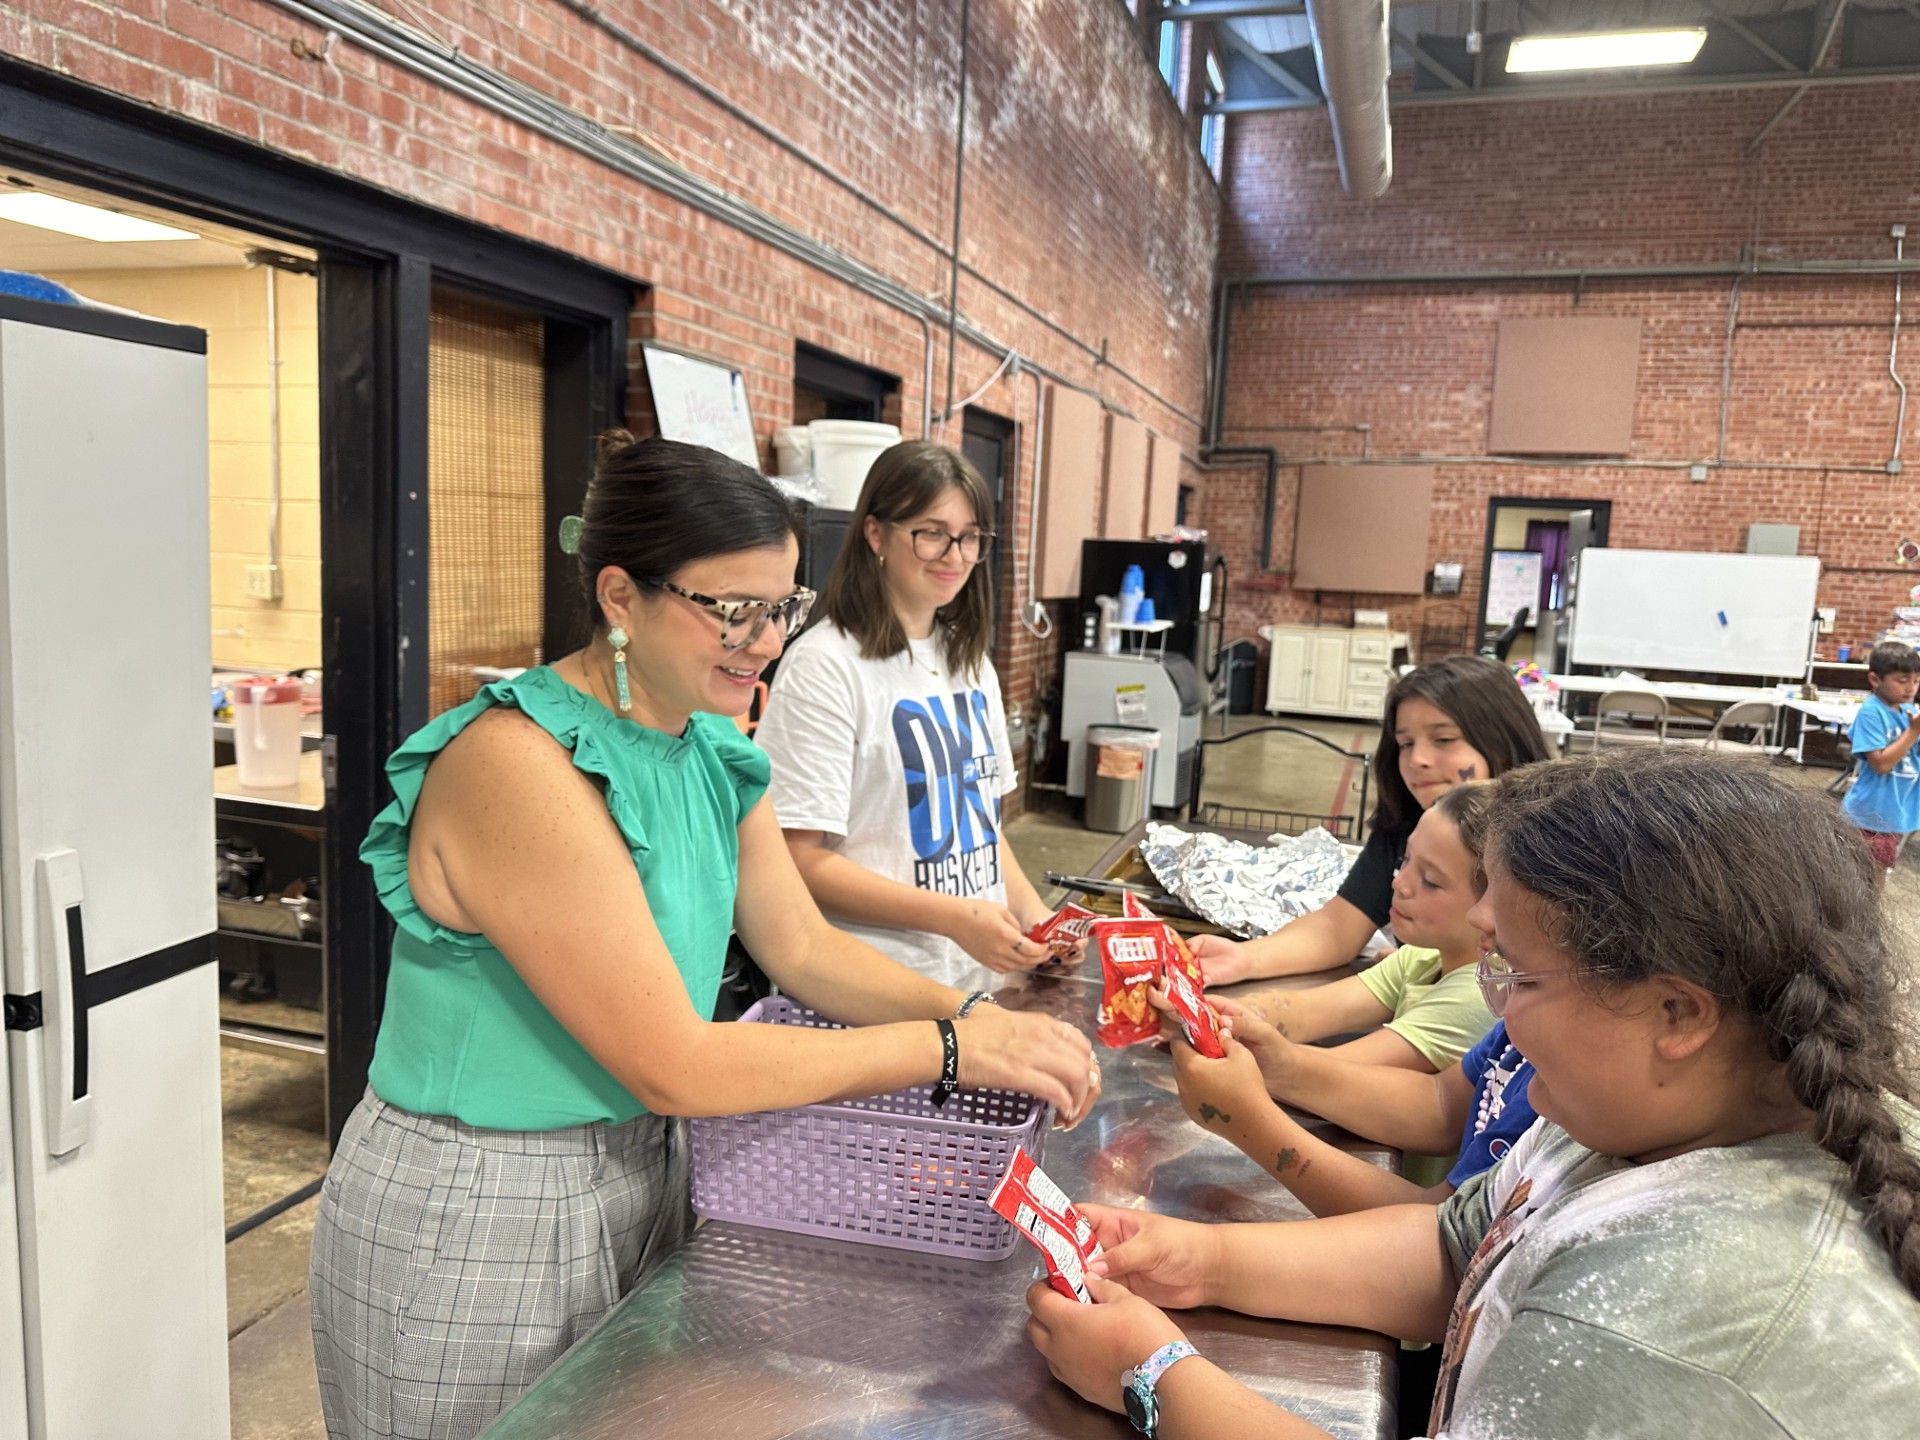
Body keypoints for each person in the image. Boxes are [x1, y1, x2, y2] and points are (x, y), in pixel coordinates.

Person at [309, 435, 1099, 1440]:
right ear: (619, 596)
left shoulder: (711, 747)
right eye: (731, 610)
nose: (764, 641)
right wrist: (950, 1047)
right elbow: (675, 1062)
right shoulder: (517, 766)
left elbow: (804, 949)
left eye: (781, 608)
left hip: (647, 1168)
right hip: (483, 1202)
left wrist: (979, 1016)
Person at [1025, 749, 1920, 1439]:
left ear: (1677, 1012)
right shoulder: (1637, 1116)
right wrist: (1199, 1261)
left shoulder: (1678, 1317)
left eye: (1520, 976)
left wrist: (1154, 1380)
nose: (1495, 1006)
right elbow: (1459, 1246)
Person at [755, 440, 1070, 989]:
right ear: (876, 534)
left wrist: (1037, 921)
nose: (954, 556)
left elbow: (982, 832)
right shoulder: (825, 666)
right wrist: (952, 918)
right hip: (875, 989)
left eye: (970, 537)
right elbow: (796, 860)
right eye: (931, 533)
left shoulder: (969, 662)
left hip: (978, 981)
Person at [1170, 783, 1527, 1203]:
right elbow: (1310, 1010)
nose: (1399, 883)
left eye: (1430, 881)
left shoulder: (1478, 997)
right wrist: (1208, 1014)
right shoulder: (1424, 958)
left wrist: (1252, 1097)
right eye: (1405, 861)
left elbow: (1432, 1223)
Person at [1192, 656, 1548, 985]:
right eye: (1406, 744)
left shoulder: (1548, 847)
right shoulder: (1412, 822)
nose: (1418, 759)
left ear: (1501, 740)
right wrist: (1243, 958)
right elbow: (1339, 927)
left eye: (1443, 739)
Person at [1841, 638, 1920, 879]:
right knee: (1860, 877)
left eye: (1916, 681)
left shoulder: (1910, 711)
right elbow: (1881, 764)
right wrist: (1913, 732)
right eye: (1902, 681)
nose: (1911, 688)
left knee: (1877, 875)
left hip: (1894, 812)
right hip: (1870, 814)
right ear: (1875, 679)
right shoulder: (1871, 712)